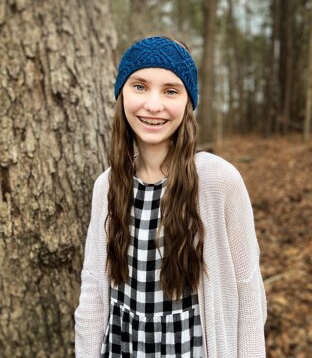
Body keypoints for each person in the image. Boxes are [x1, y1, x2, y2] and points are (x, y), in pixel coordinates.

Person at [74, 36, 267, 358]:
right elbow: (93, 289)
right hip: (124, 346)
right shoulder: (107, 185)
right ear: (121, 94)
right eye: (139, 86)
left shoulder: (218, 180)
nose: (153, 104)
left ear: (188, 103)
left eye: (170, 91)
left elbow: (248, 289)